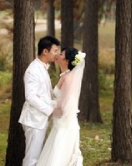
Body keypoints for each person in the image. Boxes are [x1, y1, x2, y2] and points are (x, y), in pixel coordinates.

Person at [36, 47, 86, 166]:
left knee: (59, 153)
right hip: (59, 122)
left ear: (67, 60)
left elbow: (65, 104)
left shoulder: (68, 79)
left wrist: (46, 104)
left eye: (62, 54)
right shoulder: (64, 75)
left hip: (65, 124)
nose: (58, 55)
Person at [19, 35, 61, 166]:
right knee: (32, 159)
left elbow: (44, 96)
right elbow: (30, 97)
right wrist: (51, 111)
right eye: (55, 51)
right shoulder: (33, 70)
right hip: (34, 121)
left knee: (39, 159)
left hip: (40, 120)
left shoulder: (43, 67)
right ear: (45, 51)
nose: (57, 54)